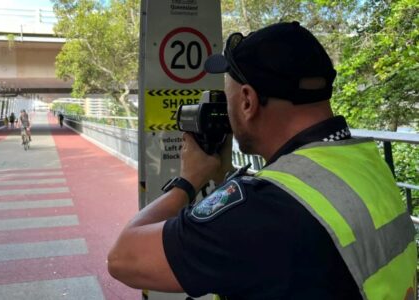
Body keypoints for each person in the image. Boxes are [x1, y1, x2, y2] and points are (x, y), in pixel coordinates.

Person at [107, 21, 416, 299]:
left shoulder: (263, 209)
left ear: (247, 101)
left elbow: (122, 259)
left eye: (227, 100)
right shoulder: (365, 161)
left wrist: (188, 181)